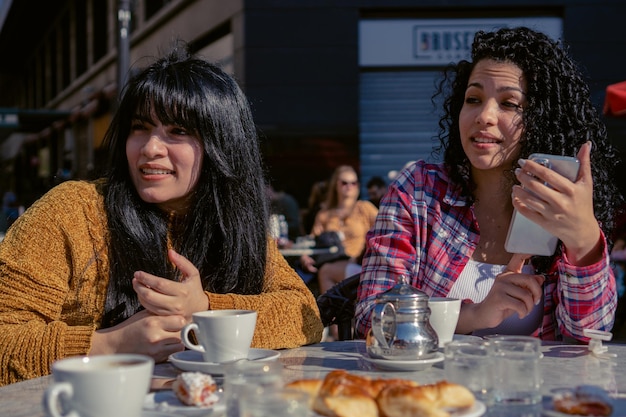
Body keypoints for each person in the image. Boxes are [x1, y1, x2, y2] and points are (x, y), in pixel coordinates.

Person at [0, 46, 323, 386]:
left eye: (178, 132)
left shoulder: (232, 223)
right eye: (140, 127)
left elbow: (305, 315)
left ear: (221, 145)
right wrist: (110, 344)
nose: (150, 148)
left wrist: (205, 310)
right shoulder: (72, 210)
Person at [355, 27, 622, 342]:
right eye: (474, 98)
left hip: (536, 390)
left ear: (543, 118)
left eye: (509, 103)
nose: (485, 115)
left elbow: (589, 340)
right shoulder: (418, 190)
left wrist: (584, 240)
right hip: (435, 388)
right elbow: (371, 317)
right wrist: (473, 315)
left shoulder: (562, 204)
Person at [301, 166, 378, 297]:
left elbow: (384, 230)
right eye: (344, 183)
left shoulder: (365, 208)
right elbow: (312, 241)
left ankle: (330, 314)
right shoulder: (324, 214)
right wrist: (305, 257)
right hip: (334, 263)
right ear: (336, 184)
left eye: (353, 183)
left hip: (358, 264)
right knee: (322, 271)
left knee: (325, 272)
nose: (349, 186)